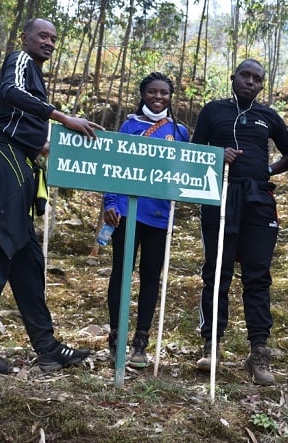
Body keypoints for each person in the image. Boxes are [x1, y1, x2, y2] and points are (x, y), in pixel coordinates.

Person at [0, 18, 103, 374]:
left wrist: (47, 145)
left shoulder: (37, 75)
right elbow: (8, 93)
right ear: (26, 37)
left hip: (19, 173)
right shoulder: (20, 60)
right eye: (43, 36)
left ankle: (47, 348)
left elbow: (23, 124)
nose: (49, 42)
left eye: (53, 38)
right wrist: (63, 117)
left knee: (29, 265)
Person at [191, 59, 288, 385]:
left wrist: (270, 171)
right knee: (217, 270)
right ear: (233, 77)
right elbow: (193, 151)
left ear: (262, 85)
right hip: (220, 197)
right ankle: (212, 346)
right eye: (245, 76)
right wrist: (216, 155)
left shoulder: (268, 116)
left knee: (258, 275)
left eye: (257, 79)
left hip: (259, 201)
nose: (251, 82)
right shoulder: (213, 111)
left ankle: (259, 352)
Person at [103, 72, 189, 368]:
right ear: (143, 94)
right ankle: (116, 336)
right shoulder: (129, 126)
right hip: (126, 210)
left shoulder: (180, 131)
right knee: (121, 273)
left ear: (170, 96)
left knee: (151, 275)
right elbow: (113, 166)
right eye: (152, 92)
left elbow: (185, 172)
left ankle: (141, 341)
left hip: (160, 215)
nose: (158, 97)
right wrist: (110, 202)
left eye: (164, 93)